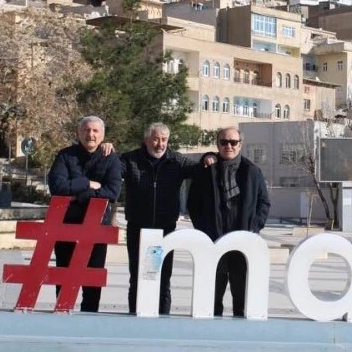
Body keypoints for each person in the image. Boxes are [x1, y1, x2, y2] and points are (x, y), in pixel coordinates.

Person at [120, 123, 210, 315]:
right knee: (137, 277)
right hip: (138, 228)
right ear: (146, 140)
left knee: (162, 278)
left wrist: (209, 156)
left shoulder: (176, 161)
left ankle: (162, 318)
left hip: (165, 230)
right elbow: (110, 171)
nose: (160, 144)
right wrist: (107, 149)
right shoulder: (130, 160)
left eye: (164, 139)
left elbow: (199, 169)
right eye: (155, 139)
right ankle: (133, 317)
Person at [187, 127, 271, 317]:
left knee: (242, 294)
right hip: (213, 240)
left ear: (240, 145)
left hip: (242, 241)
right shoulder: (207, 170)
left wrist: (253, 227)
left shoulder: (252, 171)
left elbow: (263, 202)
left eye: (233, 142)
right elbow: (193, 204)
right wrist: (203, 230)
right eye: (224, 142)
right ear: (217, 144)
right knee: (212, 295)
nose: (228, 146)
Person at [48, 115, 122, 312]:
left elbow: (112, 192)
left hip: (97, 229)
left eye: (95, 131)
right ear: (78, 133)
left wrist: (77, 195)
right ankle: (62, 317)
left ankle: (89, 319)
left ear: (102, 135)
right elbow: (57, 186)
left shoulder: (111, 158)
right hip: (66, 226)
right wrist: (87, 184)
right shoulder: (65, 156)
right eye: (86, 130)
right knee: (63, 277)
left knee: (92, 280)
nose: (91, 134)